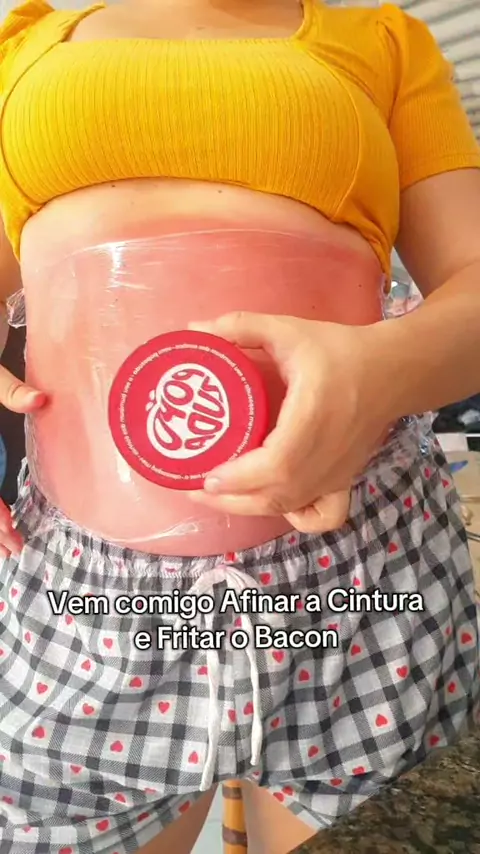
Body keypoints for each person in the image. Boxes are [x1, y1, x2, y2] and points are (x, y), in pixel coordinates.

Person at [0, 0, 479, 852]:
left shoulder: (383, 44)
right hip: (77, 589)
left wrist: (378, 372)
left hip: (362, 569)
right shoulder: (20, 47)